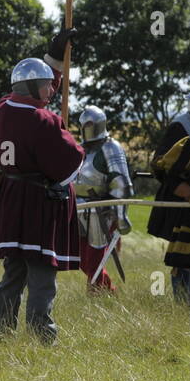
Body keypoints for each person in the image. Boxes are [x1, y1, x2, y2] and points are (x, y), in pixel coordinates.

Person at [0, 29, 81, 343]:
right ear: (35, 87)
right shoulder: (45, 121)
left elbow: (35, 94)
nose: (51, 91)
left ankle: (3, 334)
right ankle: (42, 337)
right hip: (39, 201)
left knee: (13, 272)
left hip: (11, 197)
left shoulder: (2, 109)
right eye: (46, 85)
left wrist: (53, 57)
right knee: (41, 274)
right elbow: (72, 159)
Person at [148, 84, 190, 304]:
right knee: (183, 256)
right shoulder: (180, 127)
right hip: (179, 199)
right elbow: (161, 165)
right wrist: (189, 193)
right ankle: (183, 304)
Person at [72, 106, 132, 294]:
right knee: (79, 257)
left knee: (94, 259)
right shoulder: (80, 149)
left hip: (101, 210)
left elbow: (121, 185)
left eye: (91, 124)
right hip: (78, 208)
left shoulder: (110, 147)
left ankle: (99, 294)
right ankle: (107, 290)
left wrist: (121, 217)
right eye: (85, 124)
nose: (88, 128)